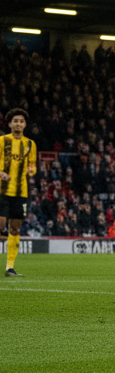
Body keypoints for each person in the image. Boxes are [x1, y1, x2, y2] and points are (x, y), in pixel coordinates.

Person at [1, 108, 37, 277]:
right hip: (2, 190)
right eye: (15, 121)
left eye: (21, 121)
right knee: (1, 227)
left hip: (21, 192)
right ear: (9, 124)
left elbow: (33, 166)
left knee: (15, 229)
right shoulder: (2, 141)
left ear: (25, 125)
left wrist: (31, 169)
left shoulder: (30, 144)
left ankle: (10, 267)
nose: (18, 123)